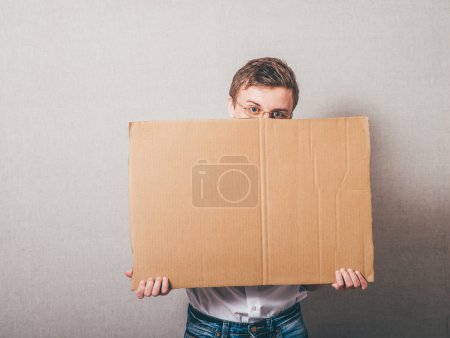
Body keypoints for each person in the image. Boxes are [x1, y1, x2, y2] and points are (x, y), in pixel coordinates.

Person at [125, 57, 369, 338]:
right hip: (209, 329)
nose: (263, 124)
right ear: (231, 105)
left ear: (291, 116)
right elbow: (174, 234)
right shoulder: (187, 163)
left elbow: (307, 273)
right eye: (253, 109)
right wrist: (157, 265)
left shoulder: (312, 174)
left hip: (285, 327)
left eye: (278, 114)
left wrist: (333, 271)